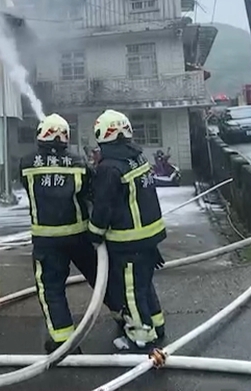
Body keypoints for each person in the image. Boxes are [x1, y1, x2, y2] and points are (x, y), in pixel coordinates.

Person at [87, 109, 167, 352]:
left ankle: (140, 336)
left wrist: (94, 233)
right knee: (144, 285)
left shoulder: (110, 168)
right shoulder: (137, 158)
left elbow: (104, 206)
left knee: (131, 290)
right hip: (148, 236)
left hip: (129, 241)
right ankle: (156, 324)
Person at [19, 113, 99, 354]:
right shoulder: (79, 162)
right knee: (101, 279)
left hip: (47, 241)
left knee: (51, 289)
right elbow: (90, 191)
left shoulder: (26, 163)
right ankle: (125, 317)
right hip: (80, 236)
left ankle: (64, 342)